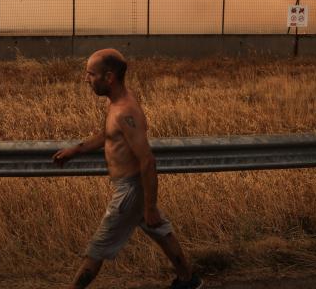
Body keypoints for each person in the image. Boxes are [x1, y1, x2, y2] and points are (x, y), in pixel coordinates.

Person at [52, 49, 203, 289]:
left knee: (97, 248)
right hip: (134, 188)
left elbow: (147, 160)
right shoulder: (118, 103)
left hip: (129, 191)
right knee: (161, 232)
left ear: (109, 77)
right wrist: (77, 149)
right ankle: (188, 280)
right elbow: (109, 135)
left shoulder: (125, 112)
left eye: (91, 74)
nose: (86, 79)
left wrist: (150, 206)